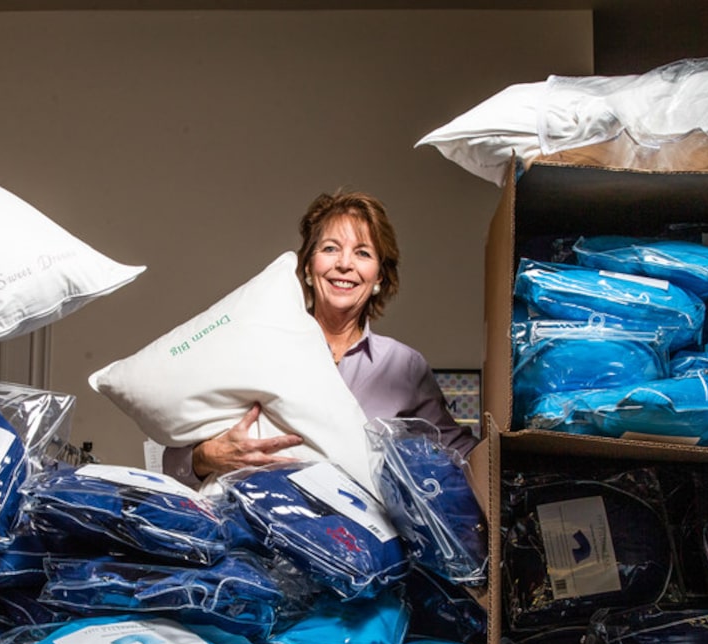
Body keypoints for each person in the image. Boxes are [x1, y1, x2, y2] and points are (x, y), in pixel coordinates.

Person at [163, 189, 479, 487]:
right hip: (264, 535)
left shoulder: (403, 366)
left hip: (366, 540)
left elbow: (460, 454)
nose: (344, 264)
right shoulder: (261, 348)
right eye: (330, 249)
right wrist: (207, 457)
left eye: (363, 252)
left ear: (379, 276)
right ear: (309, 268)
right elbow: (174, 460)